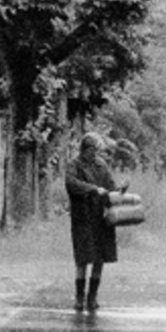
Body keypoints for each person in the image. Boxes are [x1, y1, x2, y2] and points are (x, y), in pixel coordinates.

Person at [66, 134, 121, 313]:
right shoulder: (74, 165)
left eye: (96, 150)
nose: (94, 154)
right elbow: (71, 183)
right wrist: (93, 189)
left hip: (101, 218)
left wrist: (119, 191)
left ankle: (93, 296)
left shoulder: (101, 165)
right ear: (84, 149)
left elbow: (111, 186)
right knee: (82, 259)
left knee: (100, 258)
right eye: (91, 150)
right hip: (82, 218)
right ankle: (79, 297)